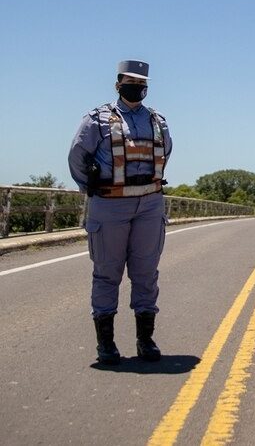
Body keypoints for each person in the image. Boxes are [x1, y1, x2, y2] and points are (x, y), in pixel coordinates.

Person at [68, 60, 172, 365]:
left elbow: (165, 152)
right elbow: (77, 156)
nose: (137, 88)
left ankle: (145, 340)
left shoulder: (158, 121)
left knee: (146, 273)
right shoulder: (96, 120)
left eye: (141, 83)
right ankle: (106, 344)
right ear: (118, 85)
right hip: (110, 204)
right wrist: (93, 188)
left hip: (150, 204)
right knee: (107, 272)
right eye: (131, 82)